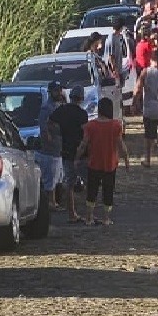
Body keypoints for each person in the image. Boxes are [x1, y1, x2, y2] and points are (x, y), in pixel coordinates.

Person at [76, 97, 129, 226]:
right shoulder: (116, 125)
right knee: (108, 191)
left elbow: (83, 144)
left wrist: (77, 158)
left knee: (91, 191)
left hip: (94, 163)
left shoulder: (91, 125)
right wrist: (126, 160)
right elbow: (121, 145)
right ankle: (106, 218)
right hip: (110, 164)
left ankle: (89, 217)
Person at [49, 85, 89, 223]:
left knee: (69, 184)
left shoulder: (61, 110)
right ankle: (89, 212)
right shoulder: (82, 114)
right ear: (81, 98)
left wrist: (56, 135)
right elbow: (85, 133)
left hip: (66, 151)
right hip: (81, 152)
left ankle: (72, 213)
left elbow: (51, 123)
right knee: (89, 182)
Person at [35, 81, 66, 210]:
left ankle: (54, 201)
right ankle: (50, 202)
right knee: (51, 178)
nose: (59, 93)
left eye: (60, 90)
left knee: (58, 177)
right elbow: (44, 127)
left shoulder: (60, 105)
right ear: (50, 92)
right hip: (50, 149)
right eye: (56, 91)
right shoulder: (46, 108)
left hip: (59, 147)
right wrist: (48, 138)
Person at [104, 18, 127, 85]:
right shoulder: (111, 38)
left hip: (119, 68)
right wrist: (114, 70)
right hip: (113, 70)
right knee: (116, 87)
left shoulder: (117, 36)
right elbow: (111, 56)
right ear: (121, 27)